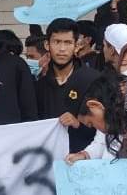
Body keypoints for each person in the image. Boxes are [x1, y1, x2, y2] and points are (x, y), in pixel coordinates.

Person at [34, 19, 101, 152]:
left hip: (83, 159)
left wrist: (78, 124)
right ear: (47, 45)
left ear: (77, 46)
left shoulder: (92, 79)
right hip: (47, 158)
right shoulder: (39, 84)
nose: (62, 49)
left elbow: (104, 129)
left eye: (68, 42)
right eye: (57, 42)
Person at [66, 74, 127, 164]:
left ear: (95, 105)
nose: (96, 129)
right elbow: (100, 143)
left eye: (90, 123)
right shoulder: (108, 119)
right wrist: (85, 155)